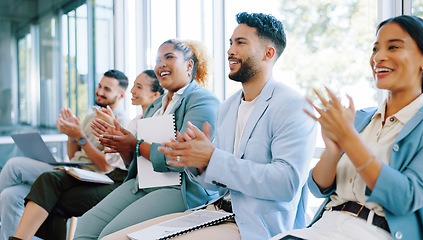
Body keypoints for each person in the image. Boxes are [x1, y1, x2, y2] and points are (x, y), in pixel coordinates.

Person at [122, 12, 315, 240]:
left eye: (240, 43)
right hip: (213, 211)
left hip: (255, 224)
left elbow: (286, 183)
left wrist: (212, 158)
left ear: (268, 53)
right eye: (231, 43)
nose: (230, 51)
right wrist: (196, 163)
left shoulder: (294, 105)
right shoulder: (227, 107)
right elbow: (216, 185)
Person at [272, 15, 423, 240]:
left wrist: (349, 139)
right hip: (323, 228)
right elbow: (316, 188)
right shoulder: (360, 119)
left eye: (393, 47)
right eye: (375, 48)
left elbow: (405, 198)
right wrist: (332, 150)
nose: (379, 57)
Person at [72, 39, 220, 239]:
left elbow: (183, 158)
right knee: (86, 226)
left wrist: (134, 144)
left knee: (110, 235)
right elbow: (136, 160)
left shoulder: (202, 100)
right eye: (158, 59)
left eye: (169, 57)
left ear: (189, 65)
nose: (161, 64)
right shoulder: (155, 105)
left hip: (178, 189)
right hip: (141, 183)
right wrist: (121, 143)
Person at [10, 70, 164, 240]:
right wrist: (72, 135)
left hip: (117, 179)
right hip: (107, 174)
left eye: (139, 87)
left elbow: (114, 165)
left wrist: (104, 133)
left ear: (155, 95)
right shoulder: (132, 121)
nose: (133, 91)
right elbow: (108, 159)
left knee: (22, 173)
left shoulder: (145, 123)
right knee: (47, 180)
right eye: (134, 85)